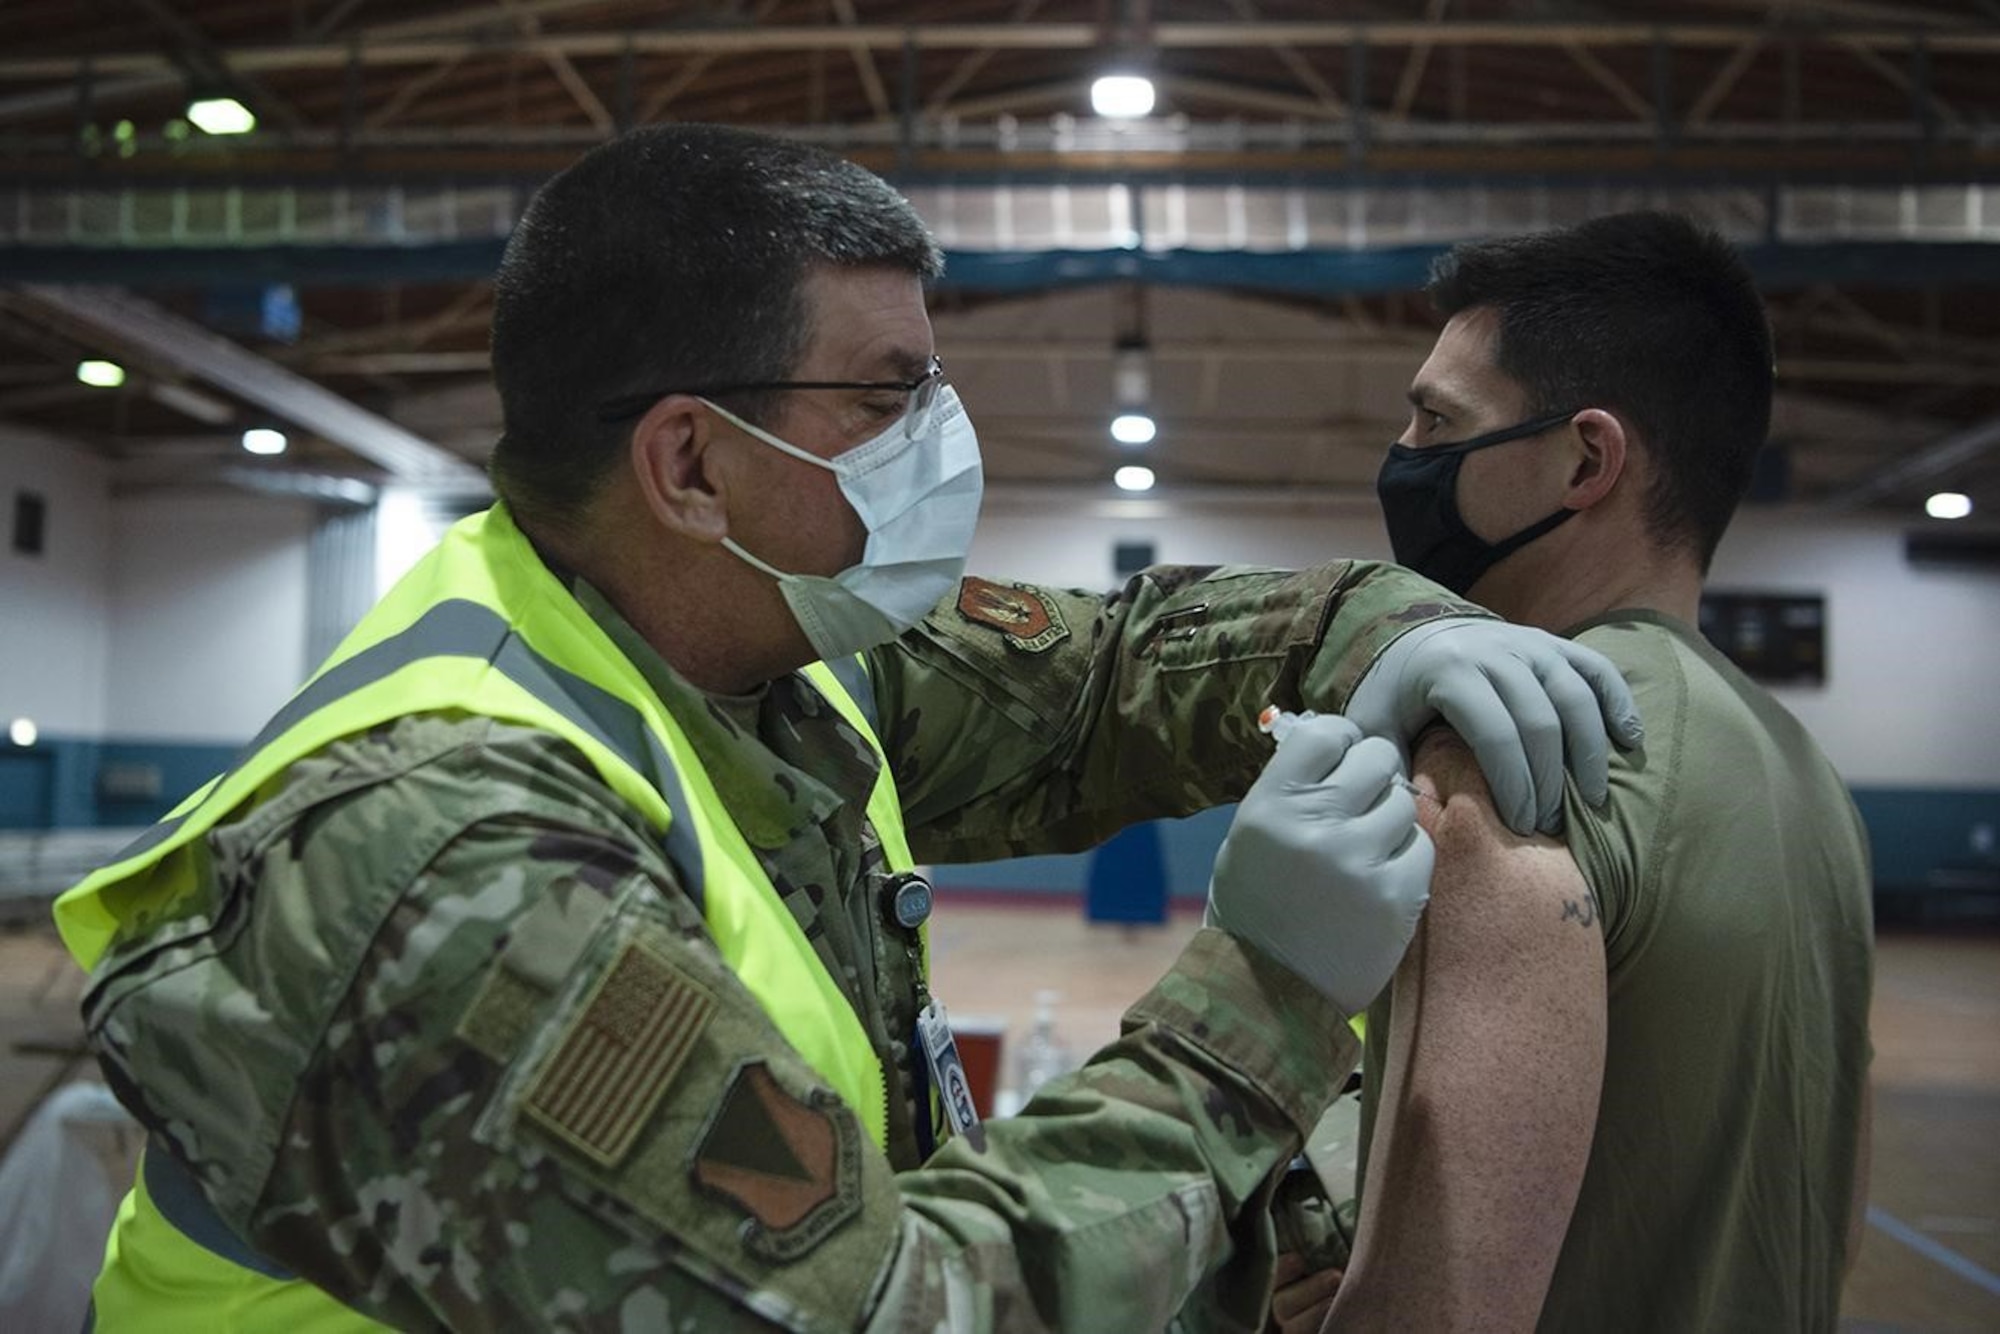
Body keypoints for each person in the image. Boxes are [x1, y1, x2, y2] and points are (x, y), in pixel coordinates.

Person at [56, 125, 1640, 1333]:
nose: (943, 443)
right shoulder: (448, 865)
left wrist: (1394, 621)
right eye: (888, 397)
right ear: (692, 463)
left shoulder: (763, 650)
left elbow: (1104, 677)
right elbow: (885, 1307)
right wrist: (1264, 999)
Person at [1279, 212, 1874, 1333]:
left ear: (1585, 459)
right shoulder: (1810, 780)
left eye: (1436, 418)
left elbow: (1437, 1316)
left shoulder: (1512, 754)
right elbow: (1829, 1221)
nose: (1404, 450)